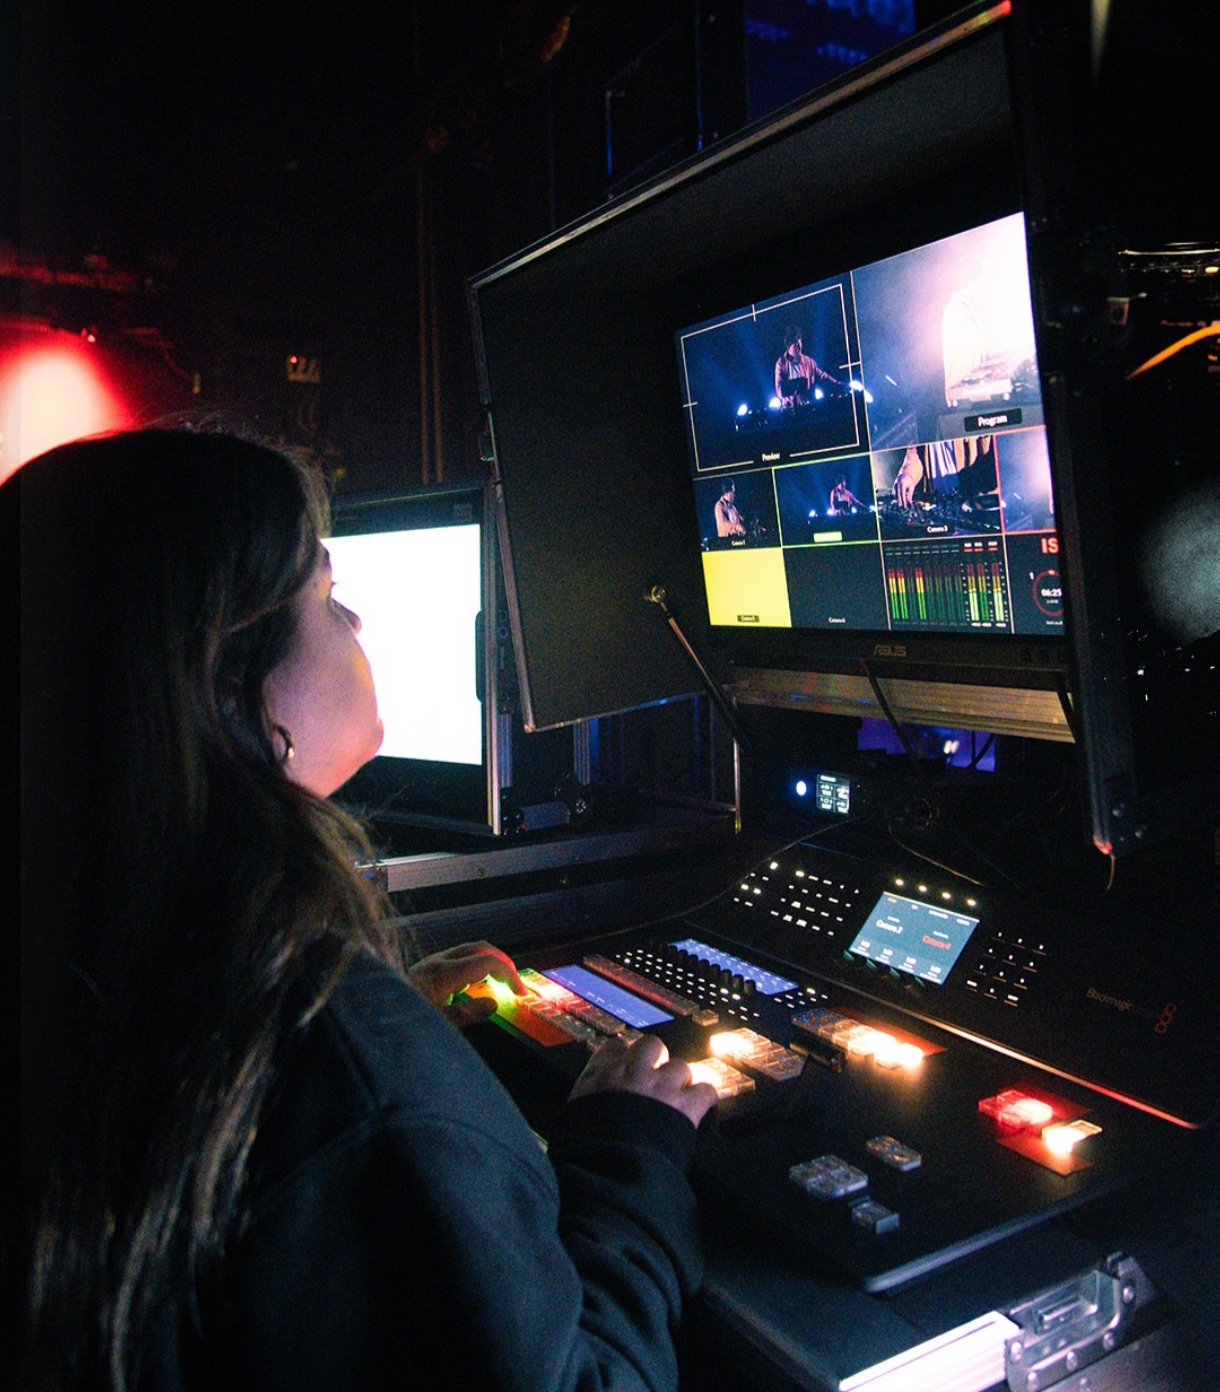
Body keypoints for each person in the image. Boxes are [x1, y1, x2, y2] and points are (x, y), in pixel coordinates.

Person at [17, 429, 718, 1392]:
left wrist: (392, 1029)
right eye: (325, 594)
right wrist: (630, 1160)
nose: (354, 621)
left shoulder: (99, 934)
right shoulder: (335, 1056)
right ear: (227, 679)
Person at [891, 435, 996, 508]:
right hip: (938, 505)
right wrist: (908, 474)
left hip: (973, 507)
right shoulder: (924, 414)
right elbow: (916, 452)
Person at [774, 324, 839, 407]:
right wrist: (791, 398)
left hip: (808, 405)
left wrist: (839, 385)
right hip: (790, 407)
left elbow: (823, 377)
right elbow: (779, 388)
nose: (799, 346)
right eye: (795, 344)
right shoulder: (781, 363)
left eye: (800, 342)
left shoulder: (809, 362)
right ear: (788, 346)